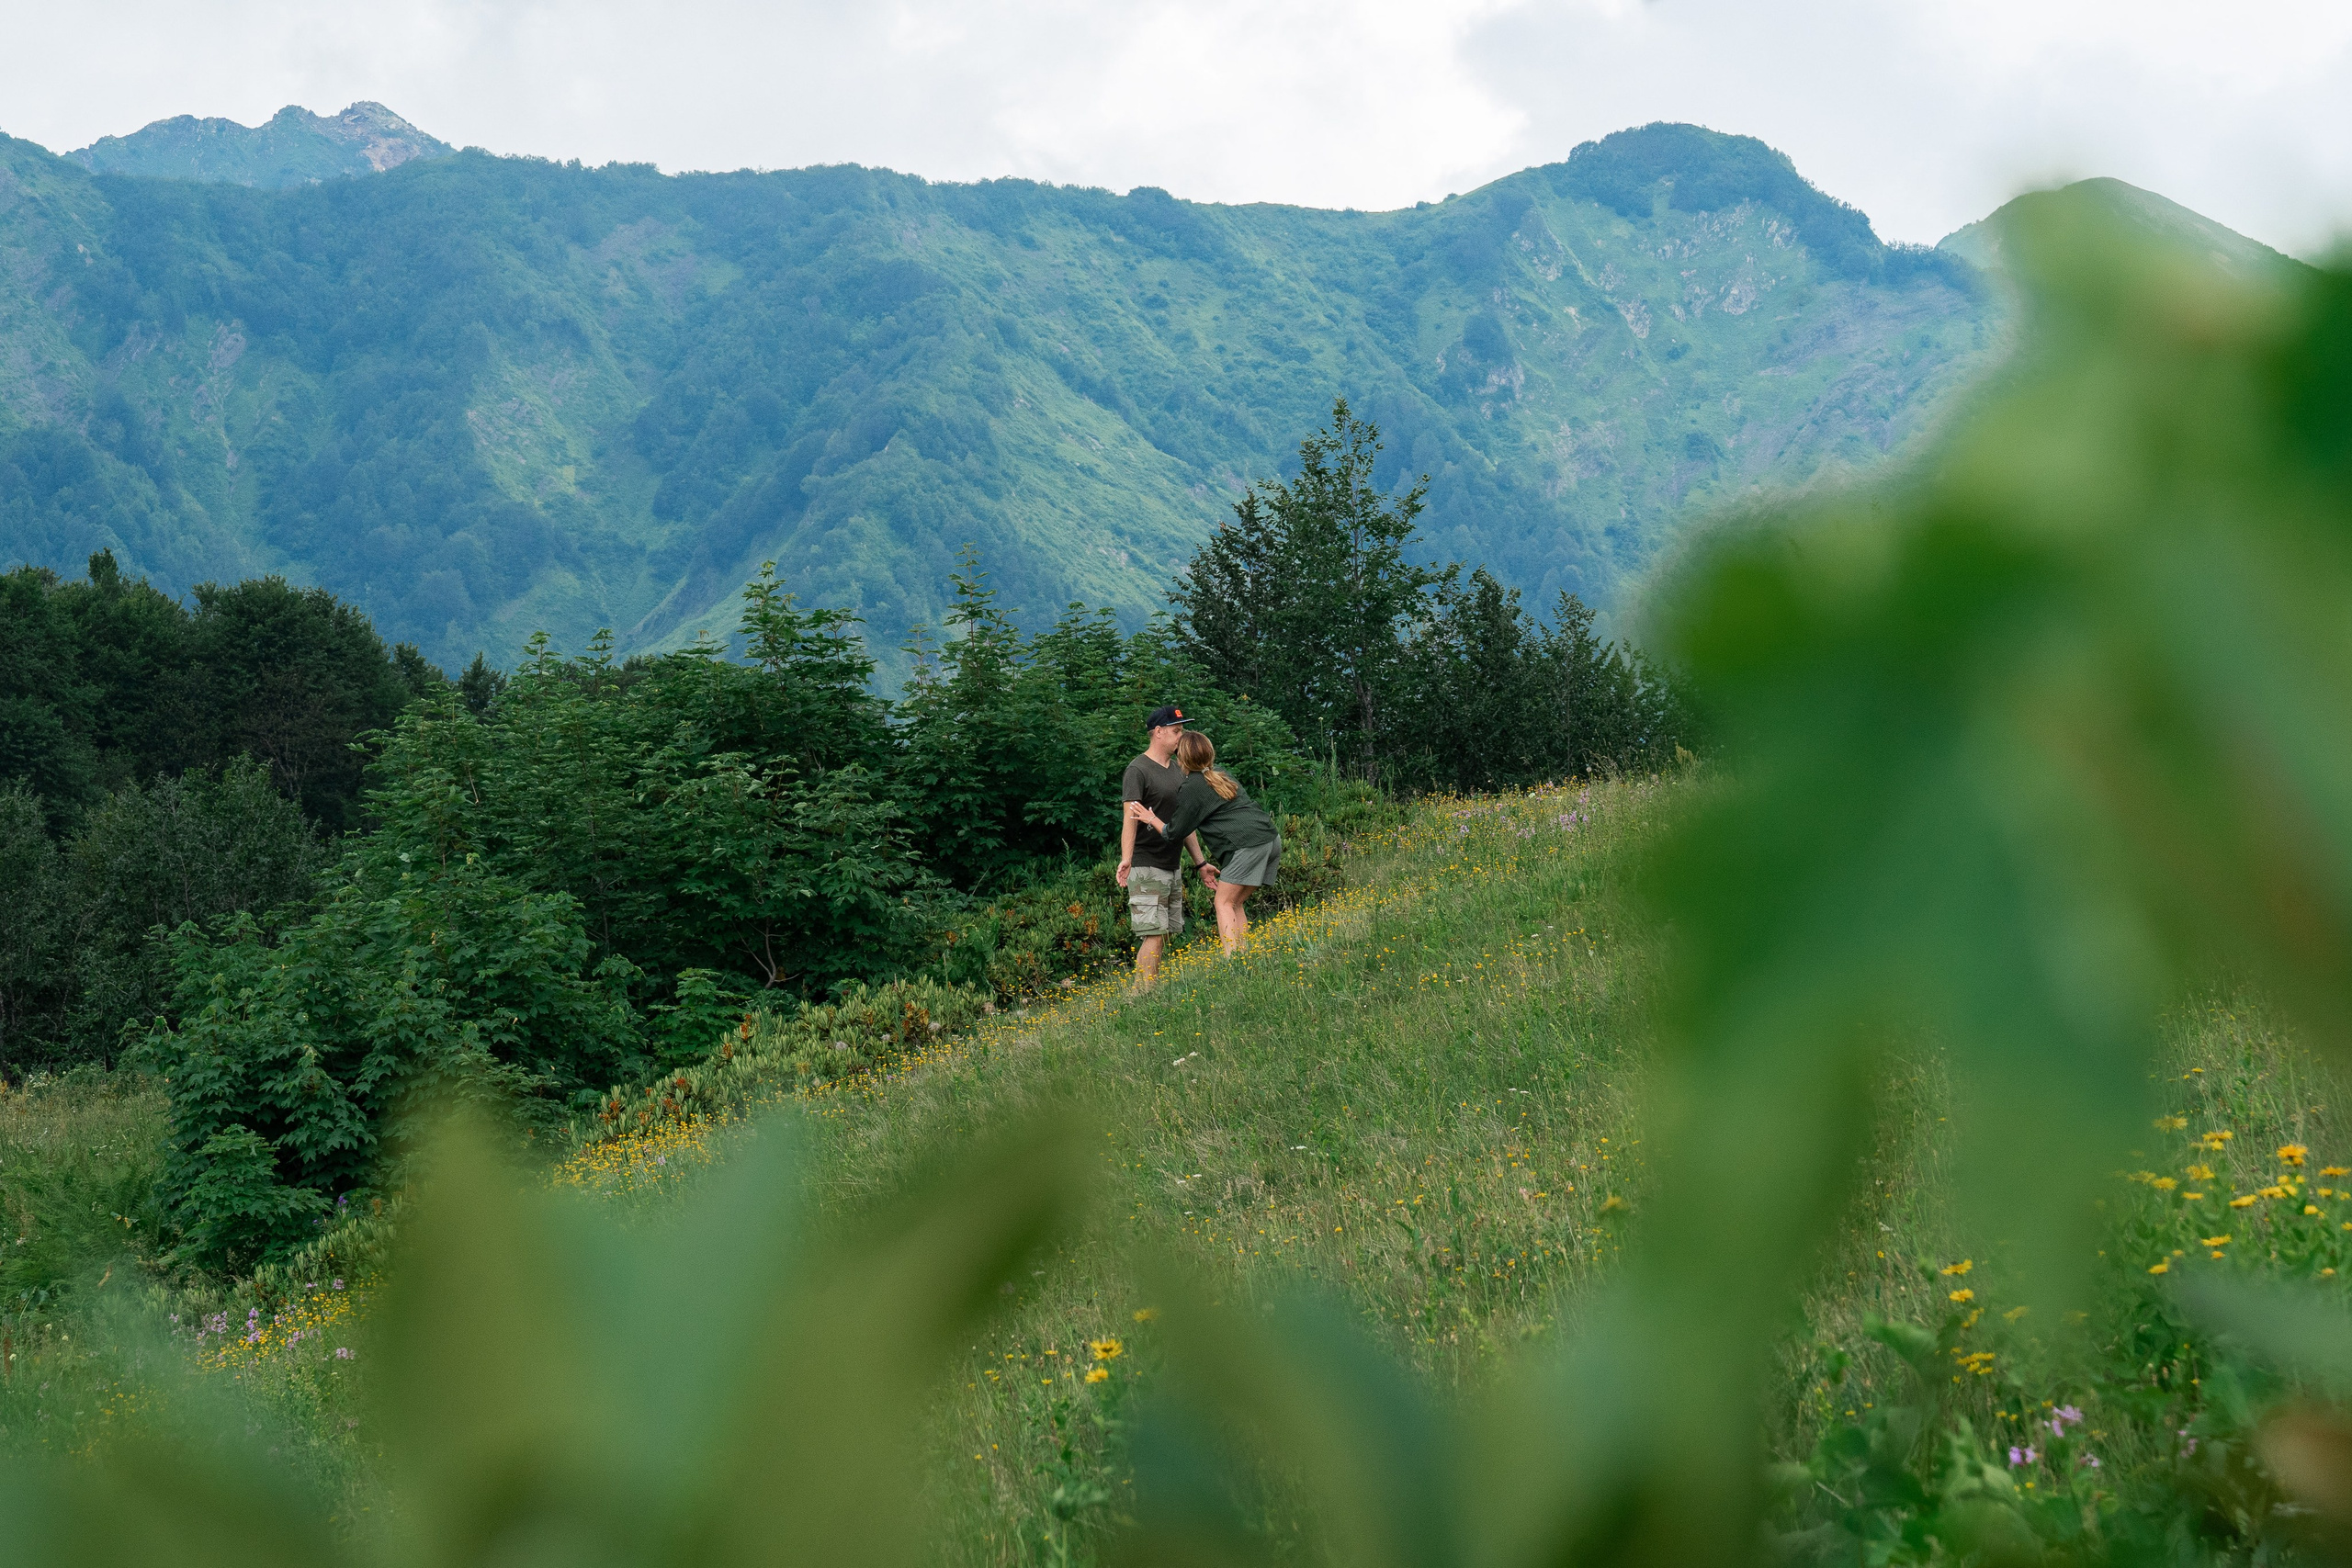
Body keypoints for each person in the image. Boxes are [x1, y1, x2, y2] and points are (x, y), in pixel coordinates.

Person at [1125, 730, 1281, 956]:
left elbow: (1173, 833)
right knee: (1235, 903)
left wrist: (1151, 819)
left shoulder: (1193, 787)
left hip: (1247, 845)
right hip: (1270, 840)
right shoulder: (1222, 775)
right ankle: (1246, 958)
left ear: (1182, 759)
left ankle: (1235, 962)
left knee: (1223, 903)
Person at [1119, 705, 1217, 989]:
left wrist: (1200, 864)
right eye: (1176, 731)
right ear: (1158, 733)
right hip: (1146, 863)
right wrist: (1126, 859)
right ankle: (1140, 996)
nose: (1181, 737)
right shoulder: (1138, 770)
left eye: (1182, 730)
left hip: (1171, 864)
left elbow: (1182, 824)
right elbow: (1130, 818)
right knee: (1152, 932)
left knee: (1163, 933)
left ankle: (1152, 991)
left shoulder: (1177, 769)